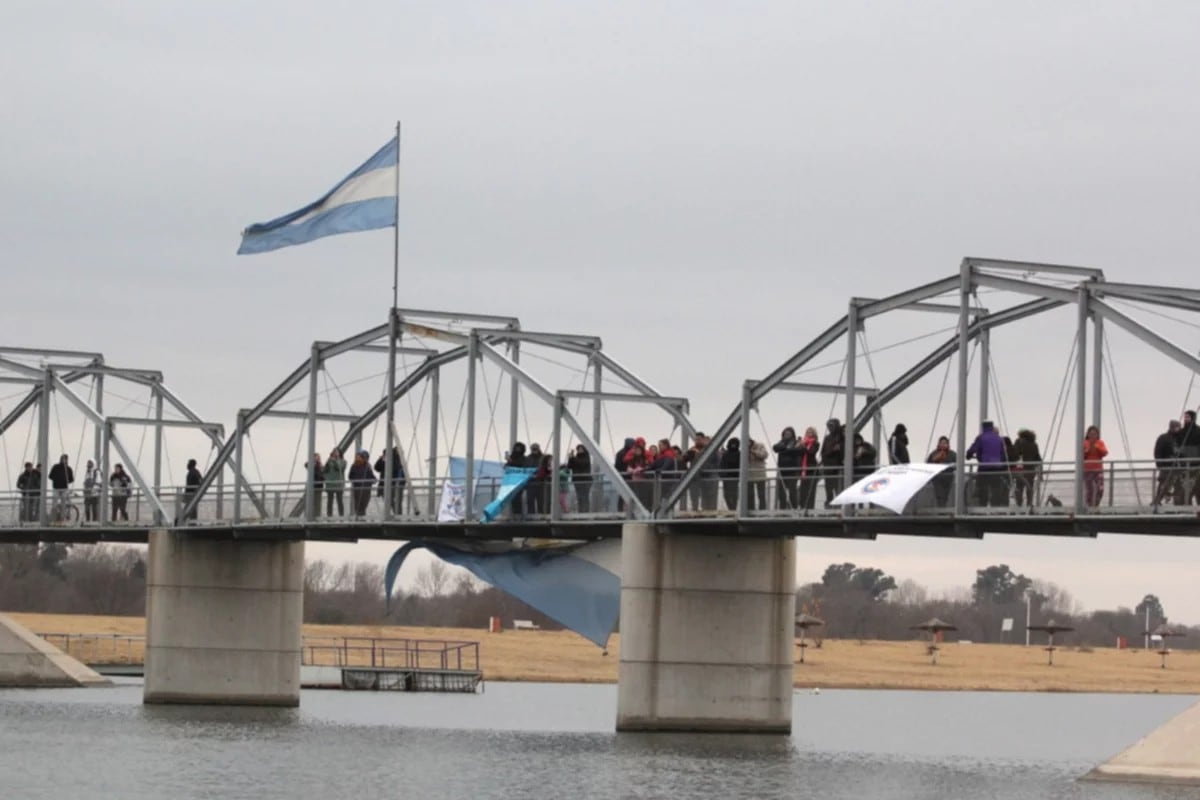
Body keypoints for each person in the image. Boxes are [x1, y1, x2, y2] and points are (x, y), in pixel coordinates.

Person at [966, 421, 1008, 507]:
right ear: (992, 427)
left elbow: (973, 448)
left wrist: (969, 455)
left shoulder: (981, 437)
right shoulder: (999, 438)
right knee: (995, 488)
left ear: (983, 427)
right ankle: (994, 508)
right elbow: (1003, 453)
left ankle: (982, 506)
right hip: (997, 467)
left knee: (982, 488)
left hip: (985, 467)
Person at [1153, 419, 1183, 507]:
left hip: (1178, 468)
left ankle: (1178, 504)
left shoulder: (1180, 439)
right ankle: (1156, 502)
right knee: (1163, 486)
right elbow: (1157, 452)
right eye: (1178, 427)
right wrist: (1160, 465)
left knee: (1178, 487)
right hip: (1166, 467)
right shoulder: (1163, 438)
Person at [1011, 429, 1042, 509]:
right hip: (1031, 470)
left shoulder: (1019, 442)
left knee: (1019, 488)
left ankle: (1019, 506)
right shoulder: (1034, 444)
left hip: (1020, 469)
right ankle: (1029, 504)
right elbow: (1038, 458)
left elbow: (1015, 454)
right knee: (1029, 488)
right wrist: (1040, 473)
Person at [773, 427, 802, 510]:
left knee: (792, 492)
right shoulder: (781, 442)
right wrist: (786, 448)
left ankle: (794, 509)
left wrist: (785, 449)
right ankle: (782, 510)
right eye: (785, 434)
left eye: (789, 434)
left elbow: (797, 451)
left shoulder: (796, 442)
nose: (787, 435)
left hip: (792, 471)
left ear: (792, 434)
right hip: (782, 471)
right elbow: (775, 448)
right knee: (781, 493)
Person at [820, 418, 845, 507]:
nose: (830, 428)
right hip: (828, 468)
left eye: (832, 426)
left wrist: (838, 449)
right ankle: (829, 508)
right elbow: (823, 453)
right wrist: (832, 450)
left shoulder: (842, 438)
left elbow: (845, 452)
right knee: (829, 490)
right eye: (829, 426)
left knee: (838, 490)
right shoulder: (827, 438)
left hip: (838, 468)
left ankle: (838, 507)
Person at [926, 436, 957, 508]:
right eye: (941, 443)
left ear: (948, 444)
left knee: (946, 494)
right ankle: (941, 508)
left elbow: (958, 463)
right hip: (937, 477)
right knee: (939, 494)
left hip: (948, 477)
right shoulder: (934, 453)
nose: (943, 445)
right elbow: (928, 463)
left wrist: (952, 466)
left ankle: (943, 508)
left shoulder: (952, 454)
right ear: (939, 444)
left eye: (945, 443)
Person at [796, 427, 821, 511]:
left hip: (811, 469)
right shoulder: (803, 442)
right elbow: (798, 453)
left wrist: (804, 447)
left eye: (811, 432)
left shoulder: (815, 443)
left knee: (810, 492)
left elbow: (811, 453)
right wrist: (799, 445)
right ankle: (802, 508)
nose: (809, 433)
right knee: (802, 491)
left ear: (814, 434)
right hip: (804, 470)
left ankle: (810, 509)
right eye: (808, 432)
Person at [1083, 425, 1108, 508]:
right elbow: (1082, 454)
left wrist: (1096, 447)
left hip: (1098, 470)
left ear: (1097, 435)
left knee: (1100, 489)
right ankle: (1089, 506)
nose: (1093, 436)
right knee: (1089, 490)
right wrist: (1089, 448)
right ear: (1088, 435)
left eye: (1094, 434)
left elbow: (1104, 453)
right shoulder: (1085, 443)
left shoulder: (1100, 443)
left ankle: (1096, 505)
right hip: (1088, 470)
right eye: (1091, 434)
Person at [374, 447, 405, 515]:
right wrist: (381, 459)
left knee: (394, 502)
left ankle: (397, 516)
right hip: (390, 485)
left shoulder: (396, 460)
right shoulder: (394, 460)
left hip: (393, 485)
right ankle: (397, 515)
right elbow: (377, 468)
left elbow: (397, 471)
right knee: (393, 502)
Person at [348, 449, 375, 517]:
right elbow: (350, 476)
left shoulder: (367, 466)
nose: (357, 458)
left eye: (359, 456)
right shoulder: (354, 466)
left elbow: (371, 475)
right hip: (358, 488)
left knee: (364, 503)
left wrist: (373, 480)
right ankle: (358, 518)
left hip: (366, 488)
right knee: (358, 504)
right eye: (357, 456)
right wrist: (356, 481)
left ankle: (361, 517)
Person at [566, 444, 593, 513]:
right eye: (578, 449)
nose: (579, 450)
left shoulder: (586, 457)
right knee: (579, 497)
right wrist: (570, 458)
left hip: (585, 480)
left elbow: (582, 464)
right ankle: (580, 511)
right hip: (577, 480)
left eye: (581, 449)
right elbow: (569, 466)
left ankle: (586, 511)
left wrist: (573, 458)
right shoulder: (576, 458)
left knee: (585, 497)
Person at [48, 454, 74, 522]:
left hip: (64, 488)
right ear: (61, 459)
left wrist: (66, 480)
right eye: (63, 459)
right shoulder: (55, 467)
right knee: (54, 504)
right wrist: (56, 479)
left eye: (66, 459)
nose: (64, 460)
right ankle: (53, 518)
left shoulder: (68, 469)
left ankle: (62, 518)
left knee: (63, 504)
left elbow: (71, 479)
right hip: (56, 488)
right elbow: (50, 476)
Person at [506, 443, 529, 516]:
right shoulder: (512, 458)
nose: (518, 450)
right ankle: (515, 513)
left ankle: (519, 513)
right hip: (512, 481)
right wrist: (509, 463)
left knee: (518, 498)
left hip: (520, 481)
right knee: (513, 498)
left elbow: (522, 466)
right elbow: (507, 467)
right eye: (516, 448)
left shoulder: (524, 458)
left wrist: (511, 462)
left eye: (519, 448)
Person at [719, 437, 741, 511]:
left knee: (734, 495)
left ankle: (733, 509)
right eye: (732, 443)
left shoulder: (739, 454)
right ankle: (731, 509)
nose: (733, 445)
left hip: (735, 477)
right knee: (726, 495)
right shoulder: (725, 454)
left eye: (735, 444)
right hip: (726, 477)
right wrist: (721, 474)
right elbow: (722, 464)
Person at [323, 448, 346, 517]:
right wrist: (328, 462)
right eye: (334, 452)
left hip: (338, 484)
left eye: (336, 452)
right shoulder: (329, 461)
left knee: (340, 501)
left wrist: (335, 461)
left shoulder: (343, 461)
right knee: (329, 502)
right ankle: (329, 516)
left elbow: (340, 468)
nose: (335, 453)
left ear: (339, 453)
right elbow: (324, 471)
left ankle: (341, 516)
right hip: (330, 484)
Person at [747, 438, 768, 511]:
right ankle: (751, 511)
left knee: (761, 495)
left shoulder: (760, 445)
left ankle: (762, 511)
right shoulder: (744, 448)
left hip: (760, 474)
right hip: (749, 475)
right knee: (749, 495)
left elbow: (764, 455)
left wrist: (753, 452)